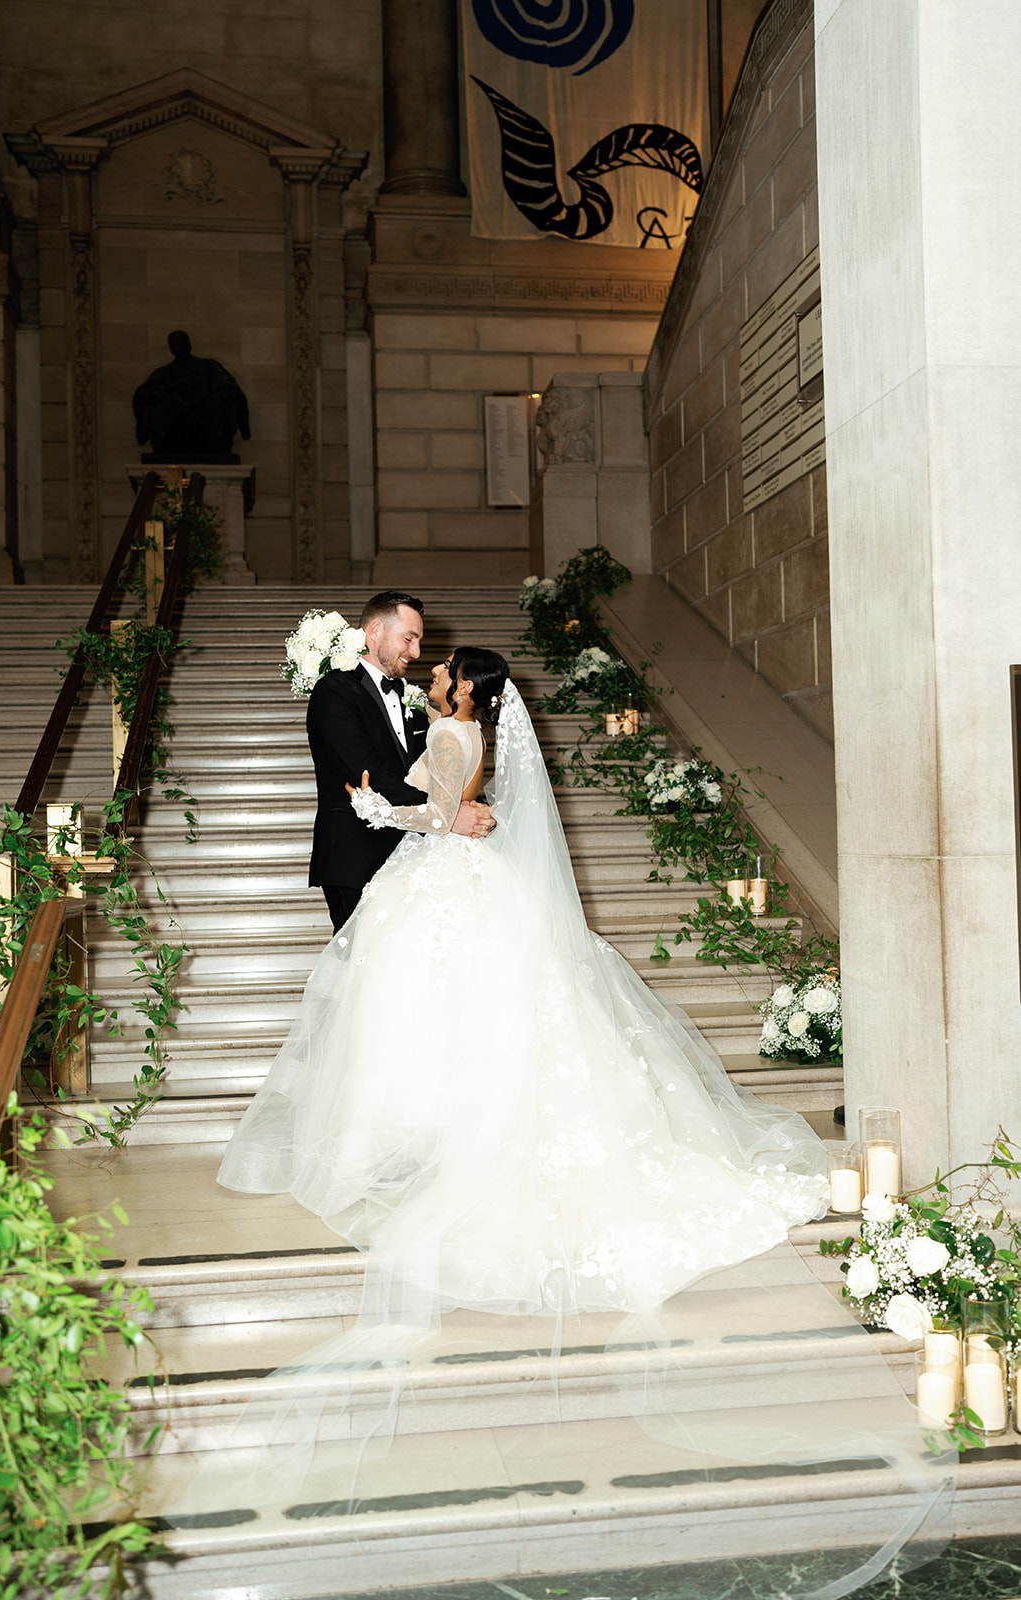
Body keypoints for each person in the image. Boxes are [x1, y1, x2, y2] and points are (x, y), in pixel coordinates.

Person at [201, 653, 954, 1594]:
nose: (433, 676)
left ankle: (441, 1138)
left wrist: (383, 811)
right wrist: (416, 811)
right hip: (458, 887)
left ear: (465, 694)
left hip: (445, 887)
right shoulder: (467, 729)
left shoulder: (455, 733)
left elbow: (449, 810)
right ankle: (442, 1129)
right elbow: (459, 810)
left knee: (428, 1020)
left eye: (442, 674)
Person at [305, 591, 493, 933]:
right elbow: (367, 774)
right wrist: (448, 816)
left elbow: (441, 772)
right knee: (362, 976)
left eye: (419, 641)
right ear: (374, 630)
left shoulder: (415, 701)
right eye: (409, 638)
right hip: (358, 853)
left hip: (415, 856)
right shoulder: (335, 691)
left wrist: (474, 808)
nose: (417, 652)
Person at [132, 330, 250, 461]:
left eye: (181, 343)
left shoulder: (209, 366)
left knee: (213, 404)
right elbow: (143, 393)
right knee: (165, 405)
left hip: (205, 409)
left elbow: (228, 388)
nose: (178, 347)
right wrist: (165, 395)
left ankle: (213, 444)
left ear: (189, 345)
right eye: (175, 344)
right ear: (171, 348)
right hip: (174, 414)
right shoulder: (163, 373)